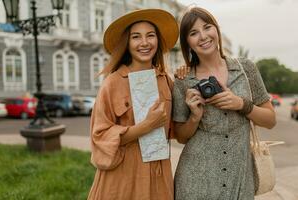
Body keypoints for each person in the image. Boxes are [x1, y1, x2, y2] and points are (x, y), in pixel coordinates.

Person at [172, 6, 276, 200]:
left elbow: (270, 120)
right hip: (196, 180)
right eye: (194, 33)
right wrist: (195, 117)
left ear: (217, 30)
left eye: (207, 27)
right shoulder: (183, 80)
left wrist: (241, 104)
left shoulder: (246, 69)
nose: (203, 36)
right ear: (187, 42)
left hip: (240, 177)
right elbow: (181, 137)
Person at [87, 9, 179, 200]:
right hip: (122, 179)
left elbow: (178, 130)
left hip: (158, 178)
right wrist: (147, 126)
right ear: (127, 44)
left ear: (158, 41)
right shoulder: (112, 83)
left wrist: (192, 103)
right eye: (136, 37)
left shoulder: (166, 81)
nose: (144, 43)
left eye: (150, 35)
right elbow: (100, 136)